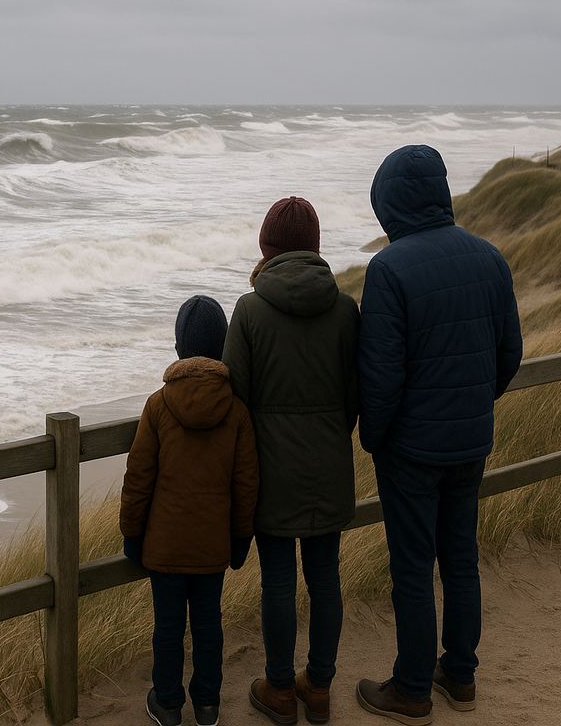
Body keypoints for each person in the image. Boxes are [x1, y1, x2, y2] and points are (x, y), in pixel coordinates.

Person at [355, 145, 522, 724]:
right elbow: (509, 355)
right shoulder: (490, 258)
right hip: (470, 441)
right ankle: (460, 675)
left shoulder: (389, 269)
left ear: (389, 202)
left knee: (411, 568)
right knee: (460, 559)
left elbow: (380, 379)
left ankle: (411, 689)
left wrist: (374, 438)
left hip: (411, 450)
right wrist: (475, 403)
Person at [222, 197, 360, 725]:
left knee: (277, 582)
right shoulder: (346, 308)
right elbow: (356, 394)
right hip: (329, 464)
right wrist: (329, 435)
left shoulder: (250, 310)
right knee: (326, 579)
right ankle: (318, 687)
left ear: (267, 247)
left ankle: (279, 688)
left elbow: (235, 397)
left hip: (271, 470)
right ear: (316, 246)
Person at [120, 294, 261, 726]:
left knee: (167, 629)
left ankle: (167, 703)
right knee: (208, 625)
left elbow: (139, 476)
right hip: (212, 544)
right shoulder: (236, 410)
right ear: (222, 344)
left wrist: (132, 534)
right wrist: (240, 540)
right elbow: (246, 485)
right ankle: (207, 703)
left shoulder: (159, 405)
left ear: (180, 345)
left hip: (164, 546)